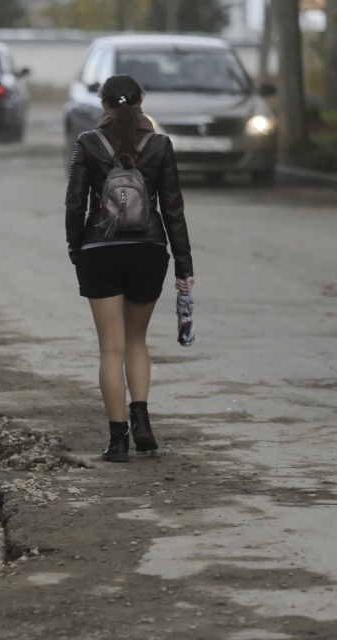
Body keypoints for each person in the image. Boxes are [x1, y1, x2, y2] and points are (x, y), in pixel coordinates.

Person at [64, 74, 194, 463]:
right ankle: (142, 421)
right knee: (136, 341)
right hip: (148, 251)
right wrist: (184, 266)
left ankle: (118, 441)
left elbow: (74, 204)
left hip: (99, 251)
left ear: (102, 105)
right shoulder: (159, 145)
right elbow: (173, 209)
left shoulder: (87, 143)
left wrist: (76, 248)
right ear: (140, 102)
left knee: (111, 348)